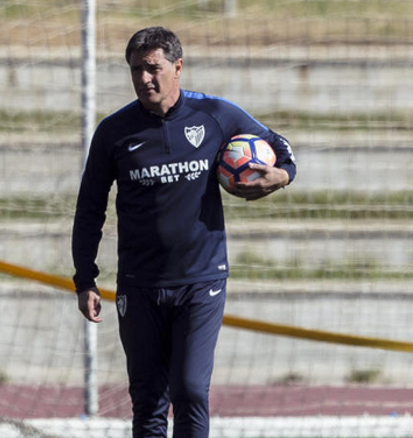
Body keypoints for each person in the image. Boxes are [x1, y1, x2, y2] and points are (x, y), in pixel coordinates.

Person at [72, 27, 296, 438]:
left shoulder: (215, 115)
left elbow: (281, 148)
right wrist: (84, 277)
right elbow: (89, 208)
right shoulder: (114, 132)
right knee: (148, 399)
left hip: (201, 281)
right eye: (136, 70)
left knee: (190, 389)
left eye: (153, 68)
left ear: (177, 67)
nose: (144, 79)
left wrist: (280, 176)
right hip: (139, 284)